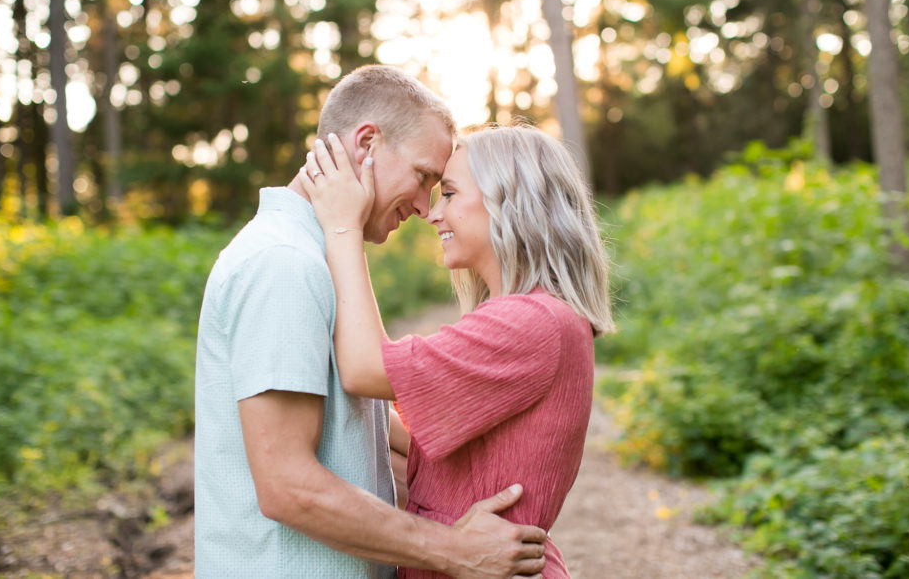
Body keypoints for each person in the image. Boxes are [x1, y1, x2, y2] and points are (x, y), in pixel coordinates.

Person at [194, 66, 547, 578]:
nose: (426, 207)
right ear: (366, 144)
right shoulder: (283, 265)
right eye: (424, 176)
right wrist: (455, 549)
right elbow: (287, 485)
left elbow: (356, 427)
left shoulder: (320, 257)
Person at [298, 121, 615, 578]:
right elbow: (433, 450)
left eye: (448, 194)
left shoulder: (532, 323)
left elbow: (366, 368)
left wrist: (344, 226)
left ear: (507, 201)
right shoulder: (536, 316)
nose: (432, 213)